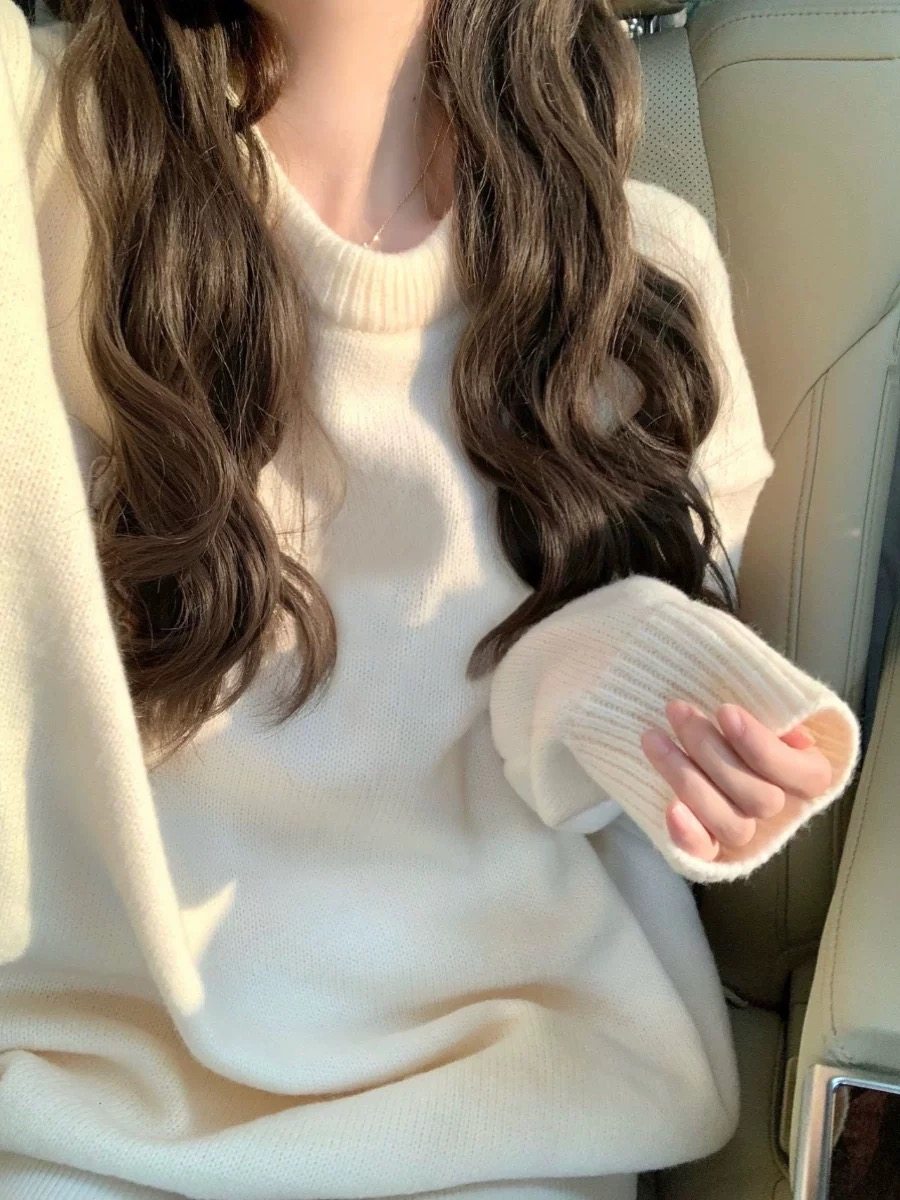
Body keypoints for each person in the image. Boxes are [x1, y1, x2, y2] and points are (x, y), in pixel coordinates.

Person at [0, 1, 861, 1197]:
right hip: (74, 1092)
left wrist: (649, 701)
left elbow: (603, 682)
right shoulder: (33, 152)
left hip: (508, 1094)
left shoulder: (642, 283)